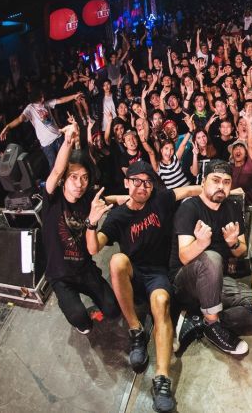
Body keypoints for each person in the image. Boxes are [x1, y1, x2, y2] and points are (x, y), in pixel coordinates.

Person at [86, 160, 202, 413]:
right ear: (127, 183)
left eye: (148, 182)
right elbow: (94, 247)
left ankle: (162, 379)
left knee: (161, 302)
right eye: (137, 181)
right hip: (133, 274)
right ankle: (136, 331)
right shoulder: (118, 216)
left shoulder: (160, 199)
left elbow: (191, 189)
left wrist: (224, 189)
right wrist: (92, 223)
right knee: (117, 261)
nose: (143, 187)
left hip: (158, 274)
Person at [41, 123, 120, 334]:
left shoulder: (88, 200)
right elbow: (57, 170)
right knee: (82, 321)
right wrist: (68, 142)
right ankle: (73, 311)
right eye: (74, 177)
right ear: (64, 180)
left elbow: (110, 199)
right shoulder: (52, 199)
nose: (79, 184)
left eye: (84, 178)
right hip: (60, 275)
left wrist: (136, 197)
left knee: (113, 310)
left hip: (84, 269)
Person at [169, 160, 250, 356]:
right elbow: (184, 257)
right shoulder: (189, 208)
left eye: (226, 182)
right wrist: (200, 244)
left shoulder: (232, 207)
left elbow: (242, 251)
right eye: (215, 180)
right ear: (203, 182)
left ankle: (198, 319)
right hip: (185, 281)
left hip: (216, 280)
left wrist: (233, 243)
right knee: (212, 257)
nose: (221, 186)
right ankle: (213, 325)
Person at [0, 86, 83, 170]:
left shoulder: (46, 104)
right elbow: (20, 119)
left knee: (67, 159)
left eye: (43, 96)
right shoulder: (30, 109)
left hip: (58, 137)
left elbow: (60, 100)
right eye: (41, 97)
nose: (43, 98)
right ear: (36, 98)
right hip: (47, 144)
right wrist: (8, 126)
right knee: (54, 166)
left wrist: (74, 96)